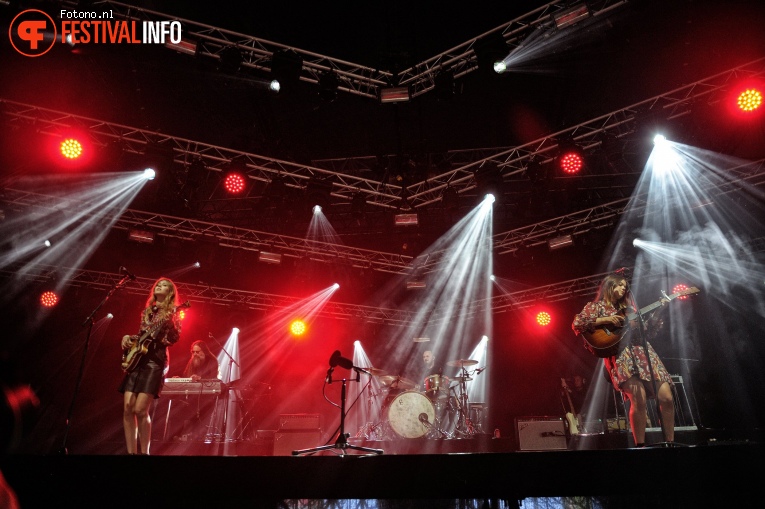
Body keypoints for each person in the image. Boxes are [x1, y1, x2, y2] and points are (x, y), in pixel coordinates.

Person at [571, 273, 674, 448]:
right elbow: (577, 323)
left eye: (625, 286)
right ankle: (640, 445)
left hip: (642, 352)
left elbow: (647, 332)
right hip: (621, 356)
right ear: (609, 286)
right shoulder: (596, 306)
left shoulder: (631, 309)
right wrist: (606, 319)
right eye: (619, 285)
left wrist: (659, 309)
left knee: (667, 397)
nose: (623, 289)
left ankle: (670, 444)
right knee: (638, 399)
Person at [119, 278, 182, 455]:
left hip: (155, 360)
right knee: (127, 408)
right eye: (158, 285)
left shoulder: (174, 313)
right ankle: (131, 453)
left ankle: (145, 453)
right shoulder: (147, 311)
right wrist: (128, 338)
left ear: (170, 293)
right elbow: (142, 336)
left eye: (164, 286)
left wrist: (168, 328)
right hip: (138, 360)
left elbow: (173, 339)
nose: (159, 286)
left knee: (140, 409)